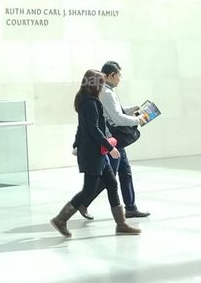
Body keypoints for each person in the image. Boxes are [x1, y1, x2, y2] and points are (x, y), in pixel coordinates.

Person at [51, 70, 141, 238]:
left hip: (94, 152)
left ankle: (121, 224)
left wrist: (76, 144)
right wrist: (110, 147)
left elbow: (82, 127)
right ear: (95, 84)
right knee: (88, 189)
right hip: (94, 153)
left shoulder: (85, 100)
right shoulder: (90, 103)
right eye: (101, 82)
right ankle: (60, 219)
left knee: (112, 184)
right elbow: (93, 129)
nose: (102, 86)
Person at [98, 61, 149, 219]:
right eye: (119, 75)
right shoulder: (106, 92)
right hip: (113, 139)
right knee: (110, 176)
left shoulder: (107, 90)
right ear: (112, 75)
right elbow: (117, 119)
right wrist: (138, 120)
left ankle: (131, 207)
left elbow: (113, 112)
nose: (120, 78)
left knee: (125, 172)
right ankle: (81, 202)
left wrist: (131, 109)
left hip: (115, 139)